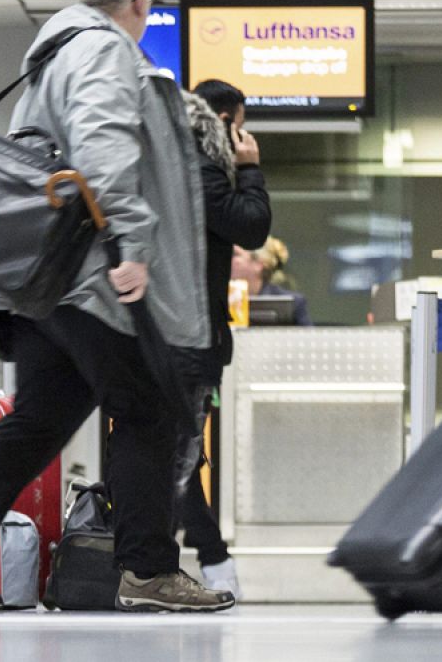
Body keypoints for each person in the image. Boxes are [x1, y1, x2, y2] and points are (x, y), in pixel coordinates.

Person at [0, 0, 234, 613]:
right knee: (150, 408)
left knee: (41, 419)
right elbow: (104, 144)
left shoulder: (54, 53)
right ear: (140, 2)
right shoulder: (103, 53)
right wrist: (131, 247)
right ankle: (148, 571)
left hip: (44, 278)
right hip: (91, 275)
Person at [176, 78, 273, 598]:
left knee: (175, 451)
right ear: (225, 121)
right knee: (180, 456)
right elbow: (251, 226)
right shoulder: (201, 166)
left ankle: (157, 558)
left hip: (176, 330)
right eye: (240, 124)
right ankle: (209, 559)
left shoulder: (173, 160)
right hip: (188, 334)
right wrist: (251, 169)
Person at [231, 238, 312, 326]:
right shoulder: (218, 298)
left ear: (259, 264)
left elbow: (309, 338)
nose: (225, 259)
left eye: (234, 255)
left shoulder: (293, 304)